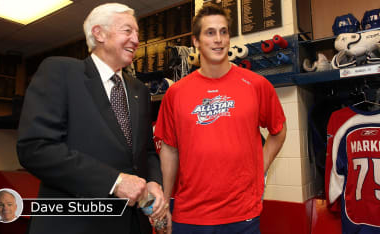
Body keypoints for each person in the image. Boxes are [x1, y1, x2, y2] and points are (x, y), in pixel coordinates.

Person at [17, 3, 166, 234]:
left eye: (137, 33)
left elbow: (146, 151)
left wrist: (155, 182)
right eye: (127, 31)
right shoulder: (61, 72)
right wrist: (114, 182)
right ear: (99, 33)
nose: (136, 40)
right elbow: (36, 148)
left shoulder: (139, 90)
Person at [154, 4, 287, 234]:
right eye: (210, 32)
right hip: (190, 216)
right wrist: (165, 201)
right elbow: (169, 149)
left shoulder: (256, 85)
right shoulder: (176, 93)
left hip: (242, 214)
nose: (219, 39)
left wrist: (260, 170)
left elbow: (279, 131)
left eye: (223, 32)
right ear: (195, 41)